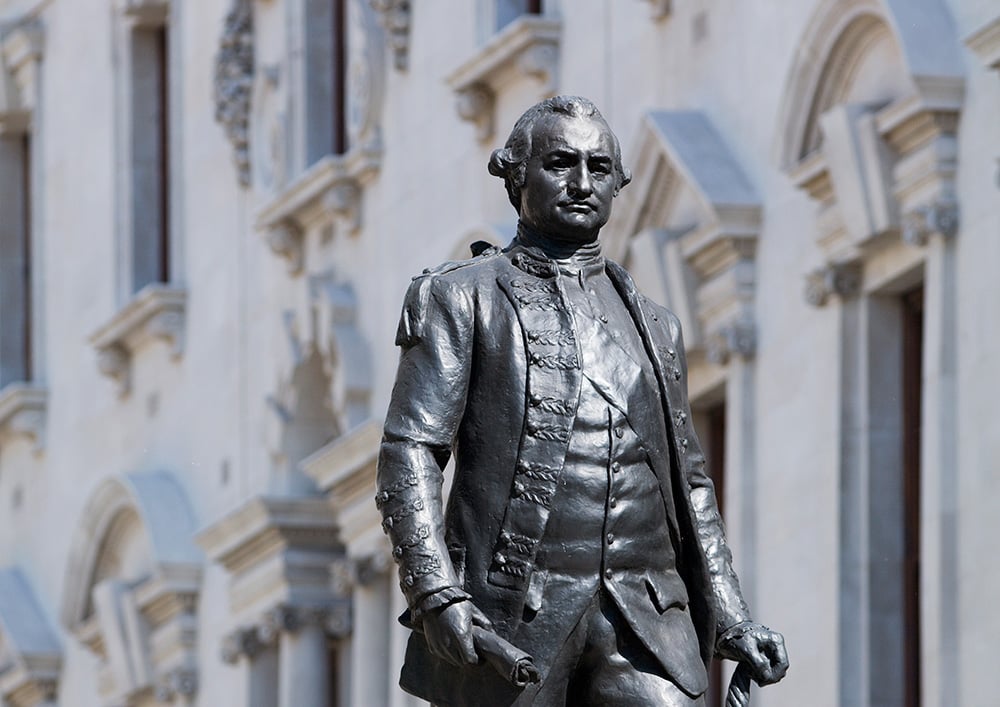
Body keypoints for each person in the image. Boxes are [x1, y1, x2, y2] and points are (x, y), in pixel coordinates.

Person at [376, 96, 788, 706]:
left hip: (646, 616)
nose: (581, 183)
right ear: (516, 175)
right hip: (514, 614)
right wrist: (435, 592)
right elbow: (411, 451)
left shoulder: (656, 324)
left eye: (599, 169)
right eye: (560, 163)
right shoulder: (461, 299)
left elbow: (690, 484)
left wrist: (730, 616)